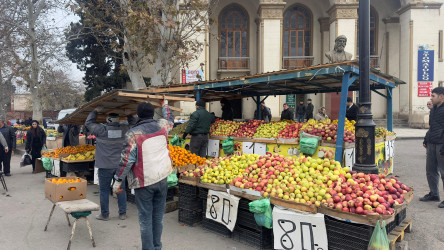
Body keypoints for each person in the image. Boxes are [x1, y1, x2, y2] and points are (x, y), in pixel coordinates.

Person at [113, 98, 174, 250]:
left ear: (138, 115)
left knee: (145, 219)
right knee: (158, 217)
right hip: (162, 177)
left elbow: (126, 161)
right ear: (152, 113)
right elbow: (170, 119)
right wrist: (165, 104)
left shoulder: (133, 134)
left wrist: (117, 180)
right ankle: (157, 247)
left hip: (144, 182)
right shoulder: (163, 126)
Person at [86, 109, 135, 221]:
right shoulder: (124, 129)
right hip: (119, 166)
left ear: (108, 120)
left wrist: (94, 111)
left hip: (104, 166)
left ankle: (105, 214)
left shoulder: (100, 130)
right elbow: (133, 123)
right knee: (120, 188)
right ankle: (122, 213)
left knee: (104, 190)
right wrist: (129, 114)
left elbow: (88, 123)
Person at [421, 87, 444, 208]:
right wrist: (426, 139)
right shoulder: (434, 109)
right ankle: (434, 194)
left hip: (441, 144)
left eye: (433, 96)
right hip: (431, 143)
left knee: (443, 172)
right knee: (430, 170)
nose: (431, 98)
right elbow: (432, 126)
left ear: (442, 97)